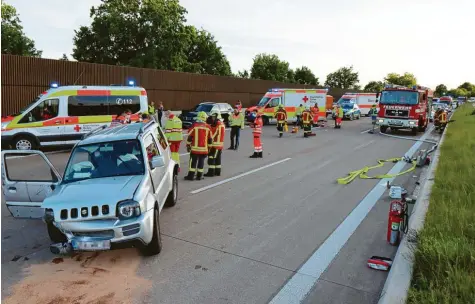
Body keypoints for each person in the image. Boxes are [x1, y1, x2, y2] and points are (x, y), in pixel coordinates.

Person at [184, 111, 213, 181]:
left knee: (193, 162)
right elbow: (210, 139)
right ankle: (199, 176)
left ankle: (191, 176)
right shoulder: (208, 127)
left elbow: (190, 137)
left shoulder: (194, 126)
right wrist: (209, 148)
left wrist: (188, 145)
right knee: (201, 162)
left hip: (194, 149)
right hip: (204, 149)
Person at [204, 110, 225, 177]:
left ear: (217, 116)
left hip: (215, 145)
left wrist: (208, 139)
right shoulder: (221, 124)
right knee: (217, 159)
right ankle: (217, 171)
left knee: (211, 158)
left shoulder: (218, 125)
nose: (212, 118)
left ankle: (211, 172)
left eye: (213, 117)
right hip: (219, 145)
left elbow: (214, 134)